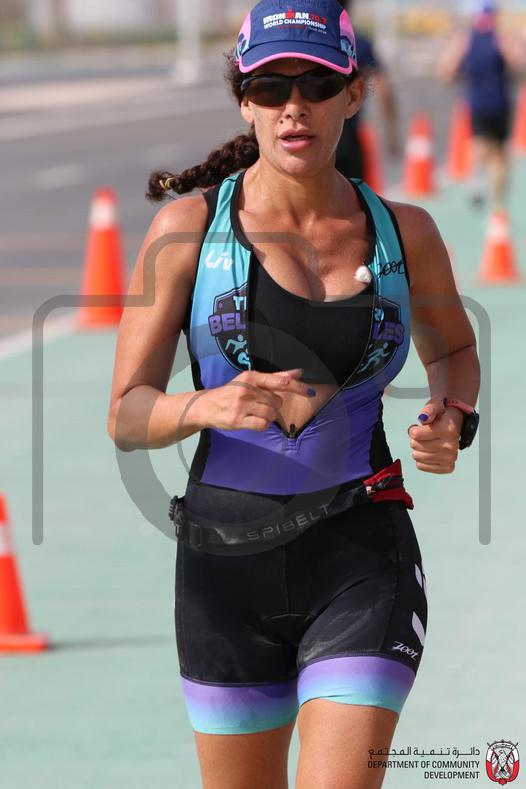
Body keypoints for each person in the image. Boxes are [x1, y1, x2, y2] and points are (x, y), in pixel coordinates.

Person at [107, 1, 480, 787]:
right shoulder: (187, 232)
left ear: (355, 93)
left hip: (361, 559)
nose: (293, 106)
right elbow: (127, 413)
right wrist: (201, 406)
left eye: (317, 84)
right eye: (271, 87)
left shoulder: (406, 233)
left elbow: (455, 349)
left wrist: (453, 412)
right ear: (245, 102)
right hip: (223, 574)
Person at [438, 0, 525, 209]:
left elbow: (446, 71)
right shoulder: (495, 38)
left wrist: (457, 76)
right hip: (493, 103)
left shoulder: (468, 39)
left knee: (483, 147)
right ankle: (497, 203)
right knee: (496, 153)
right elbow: (519, 66)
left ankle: (481, 183)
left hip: (486, 103)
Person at [335, 0, 400, 180]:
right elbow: (384, 90)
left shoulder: (305, 41)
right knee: (352, 194)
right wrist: (392, 133)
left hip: (311, 138)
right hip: (349, 136)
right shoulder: (359, 42)